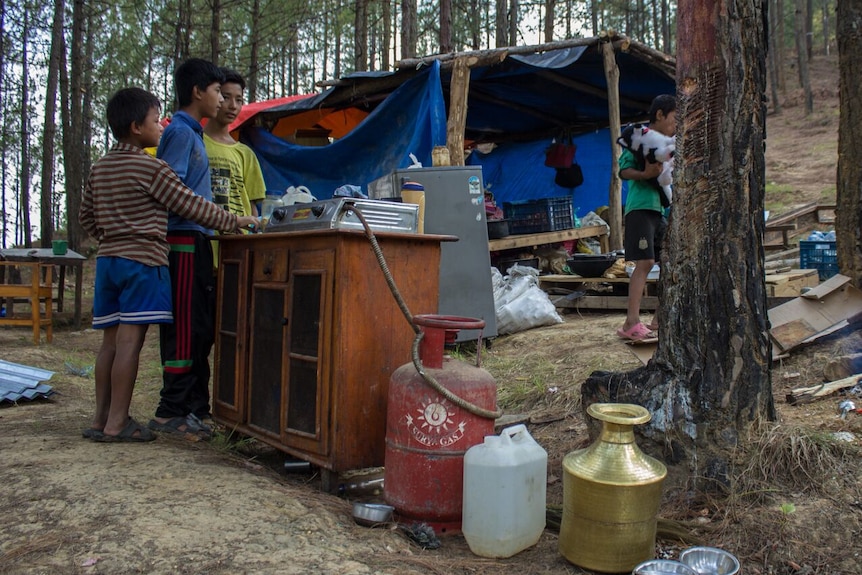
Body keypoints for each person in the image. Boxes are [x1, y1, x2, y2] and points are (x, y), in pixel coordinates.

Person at [79, 87, 258, 442]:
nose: (160, 126)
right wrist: (235, 221)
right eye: (153, 120)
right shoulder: (152, 168)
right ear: (135, 127)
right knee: (131, 344)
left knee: (109, 344)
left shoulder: (100, 168)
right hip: (143, 263)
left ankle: (100, 420)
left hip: (108, 262)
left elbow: (87, 217)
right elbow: (190, 204)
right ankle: (118, 425)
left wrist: (111, 235)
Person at [153, 58, 226, 437]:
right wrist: (217, 216)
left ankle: (195, 407)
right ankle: (171, 410)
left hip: (197, 239)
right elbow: (172, 191)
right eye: (216, 91)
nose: (220, 99)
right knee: (184, 327)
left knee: (199, 327)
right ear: (198, 92)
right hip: (181, 240)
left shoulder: (193, 133)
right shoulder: (179, 133)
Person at [616, 94, 676, 342]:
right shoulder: (638, 140)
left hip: (658, 210)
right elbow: (623, 170)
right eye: (674, 119)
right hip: (640, 208)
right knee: (645, 262)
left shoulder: (668, 145)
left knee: (670, 262)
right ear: (660, 115)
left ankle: (659, 320)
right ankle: (631, 322)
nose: (676, 126)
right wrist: (645, 173)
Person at [203, 67, 266, 219]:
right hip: (204, 236)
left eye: (239, 100)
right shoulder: (196, 142)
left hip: (239, 237)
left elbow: (252, 208)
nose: (233, 106)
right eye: (226, 97)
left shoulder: (245, 153)